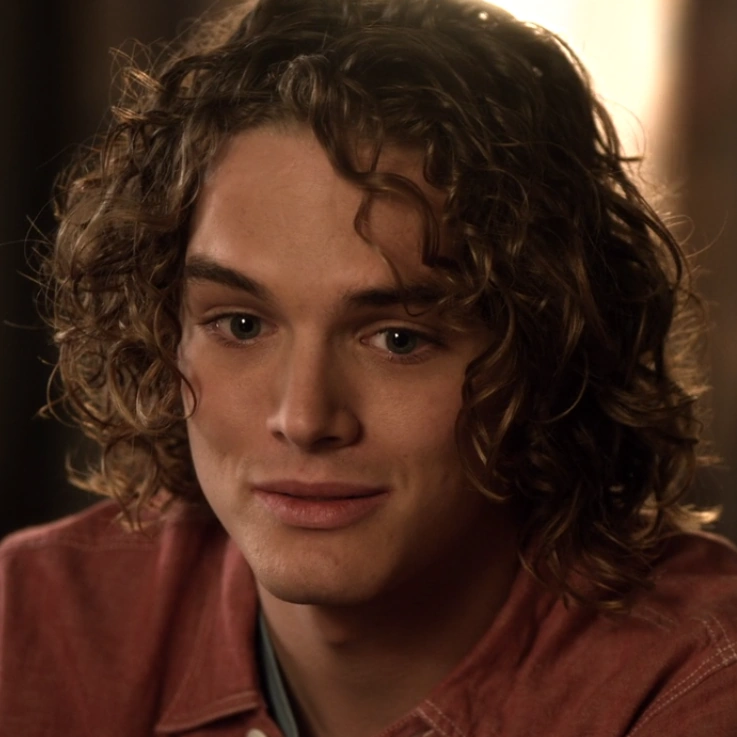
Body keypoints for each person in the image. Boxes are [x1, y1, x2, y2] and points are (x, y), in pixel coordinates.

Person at [1, 0, 736, 734]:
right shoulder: (32, 619)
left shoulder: (693, 680)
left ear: (545, 352)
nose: (303, 417)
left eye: (398, 340)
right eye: (241, 325)